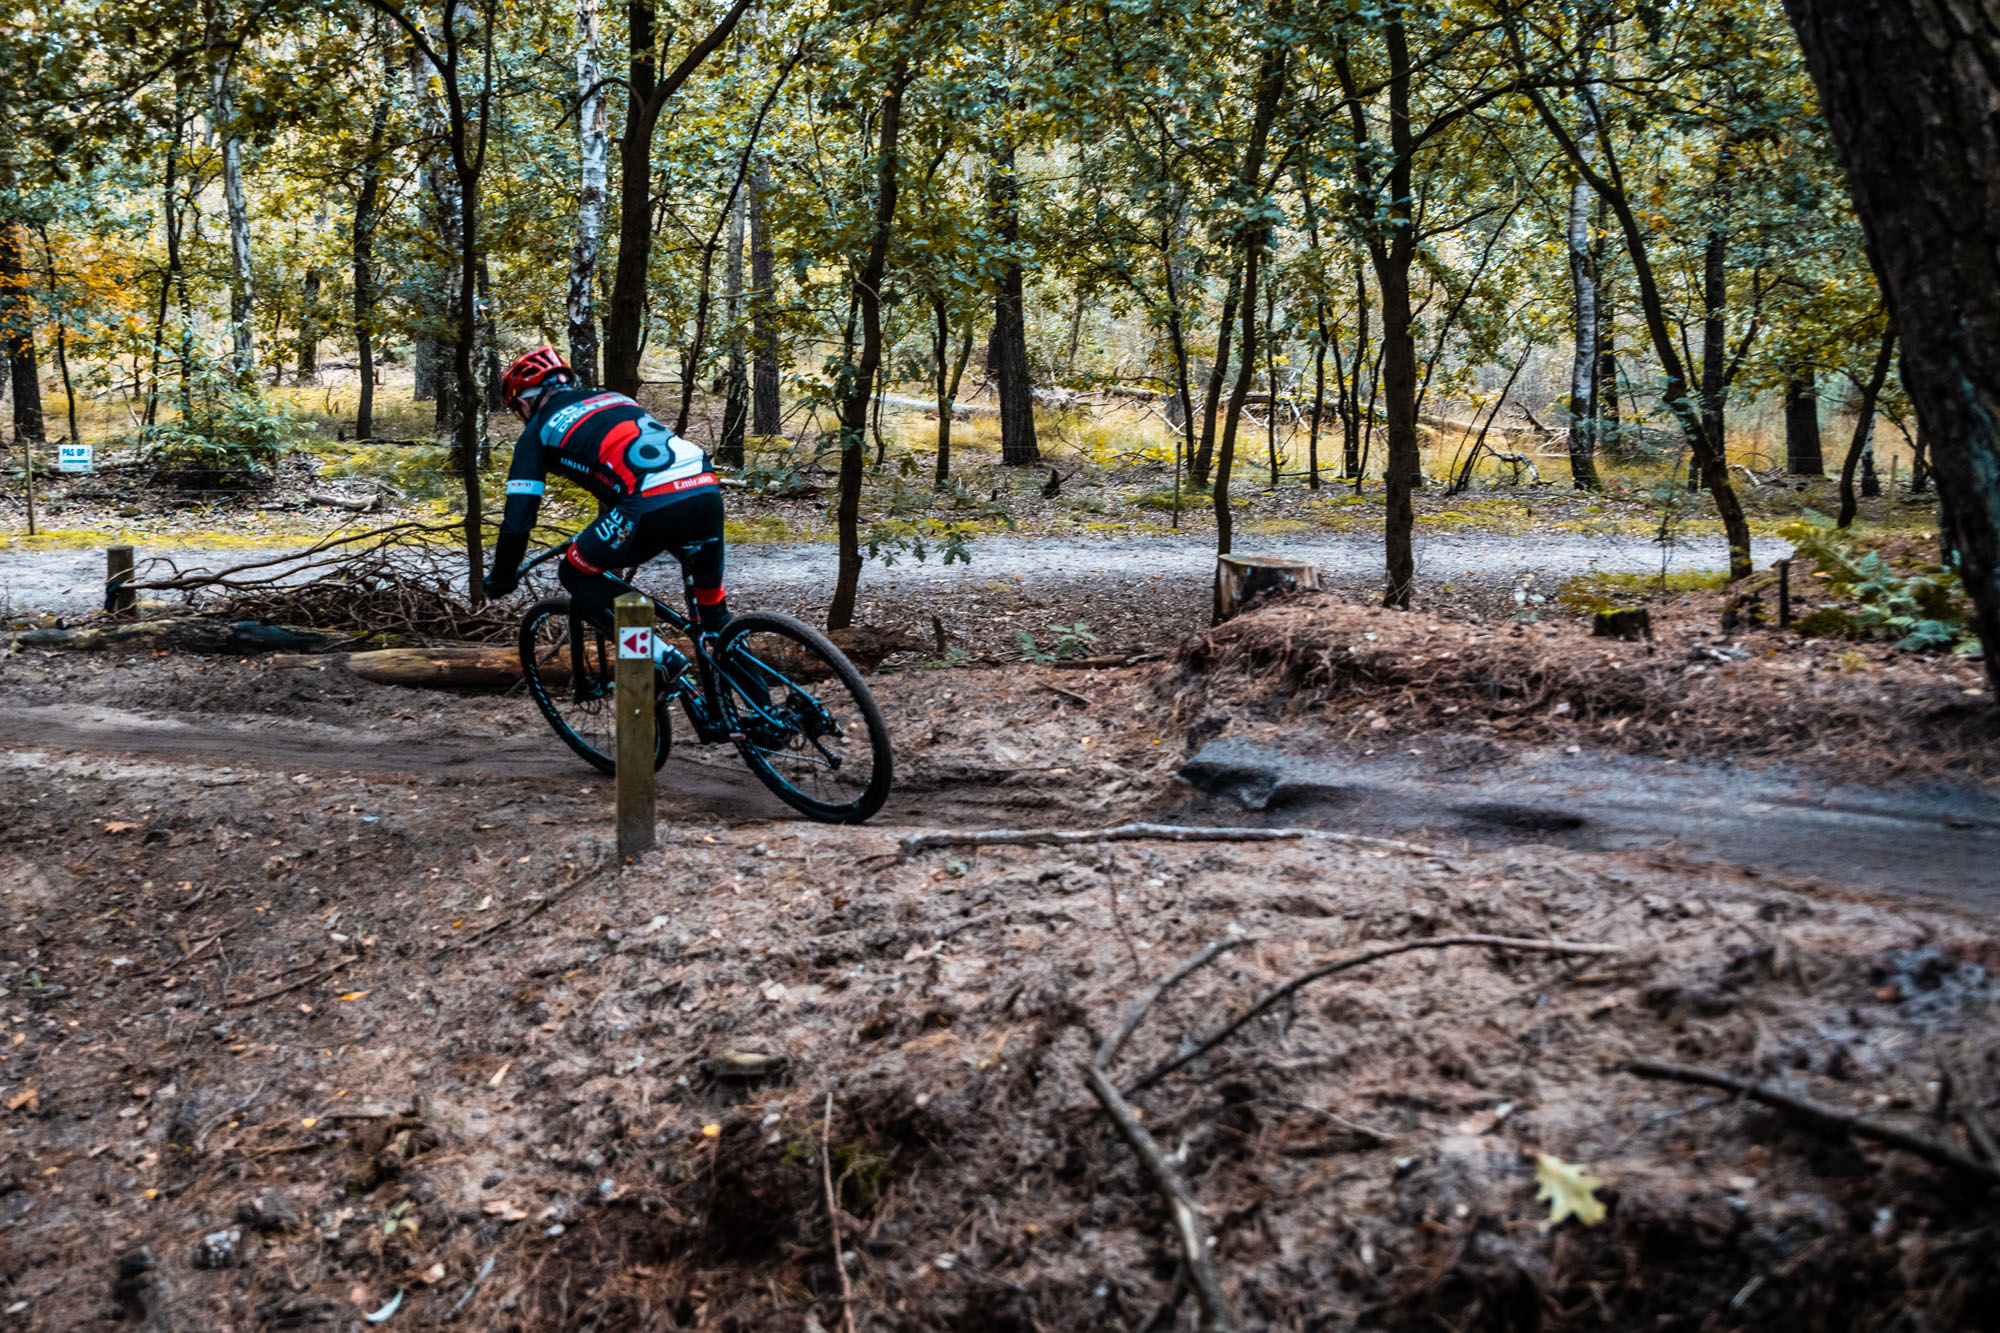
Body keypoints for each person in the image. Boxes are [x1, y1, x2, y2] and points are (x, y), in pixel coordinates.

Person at [482, 347, 733, 643]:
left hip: (651, 499)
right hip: (703, 486)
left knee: (575, 572)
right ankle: (752, 685)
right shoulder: (616, 398)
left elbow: (518, 522)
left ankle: (656, 657)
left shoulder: (537, 430)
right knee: (714, 619)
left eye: (516, 411)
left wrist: (501, 577)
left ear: (524, 401)